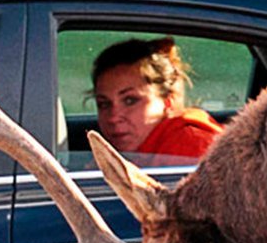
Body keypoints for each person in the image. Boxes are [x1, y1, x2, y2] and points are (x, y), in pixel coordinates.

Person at [91, 37, 222, 165]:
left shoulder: (189, 148)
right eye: (104, 104)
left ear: (167, 102)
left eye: (130, 100)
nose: (113, 118)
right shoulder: (123, 156)